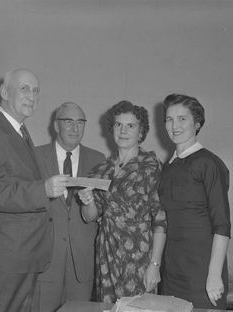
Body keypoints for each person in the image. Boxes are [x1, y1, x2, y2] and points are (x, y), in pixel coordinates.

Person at [0, 69, 69, 312]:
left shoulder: (16, 131)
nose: (32, 96)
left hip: (20, 256)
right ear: (4, 92)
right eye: (24, 88)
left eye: (36, 91)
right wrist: (43, 189)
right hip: (6, 262)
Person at [78, 100, 166, 303]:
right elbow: (89, 216)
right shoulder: (102, 170)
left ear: (141, 131)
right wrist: (88, 201)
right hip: (107, 257)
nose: (123, 131)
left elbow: (160, 219)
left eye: (131, 126)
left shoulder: (151, 166)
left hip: (139, 259)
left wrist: (155, 265)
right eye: (119, 124)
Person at [158, 93, 231, 309]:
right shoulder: (169, 166)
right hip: (172, 268)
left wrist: (214, 275)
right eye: (169, 119)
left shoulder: (209, 163)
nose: (175, 125)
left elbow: (222, 225)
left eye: (182, 119)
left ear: (197, 123)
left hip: (202, 270)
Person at [33, 102, 105, 312]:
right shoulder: (35, 157)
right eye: (68, 121)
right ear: (56, 126)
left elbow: (96, 213)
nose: (75, 128)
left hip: (81, 265)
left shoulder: (98, 160)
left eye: (80, 122)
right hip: (45, 262)